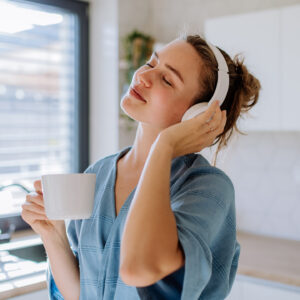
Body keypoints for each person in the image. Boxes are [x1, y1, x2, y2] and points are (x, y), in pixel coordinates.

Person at [21, 33, 261, 300]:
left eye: (167, 80)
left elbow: (140, 268)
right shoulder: (97, 175)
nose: (143, 76)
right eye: (151, 64)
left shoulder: (206, 187)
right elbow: (84, 294)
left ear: (199, 114)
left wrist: (165, 146)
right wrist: (53, 235)